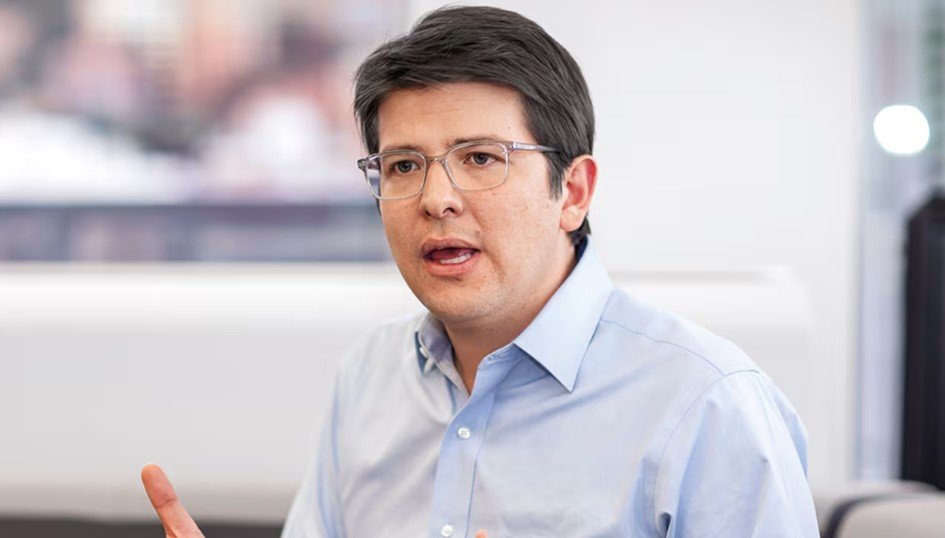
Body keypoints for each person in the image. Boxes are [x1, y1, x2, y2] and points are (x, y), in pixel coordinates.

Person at [141, 6, 819, 537]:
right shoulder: (370, 377)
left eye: (481, 158)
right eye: (403, 165)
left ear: (573, 191)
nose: (436, 198)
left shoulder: (707, 403)